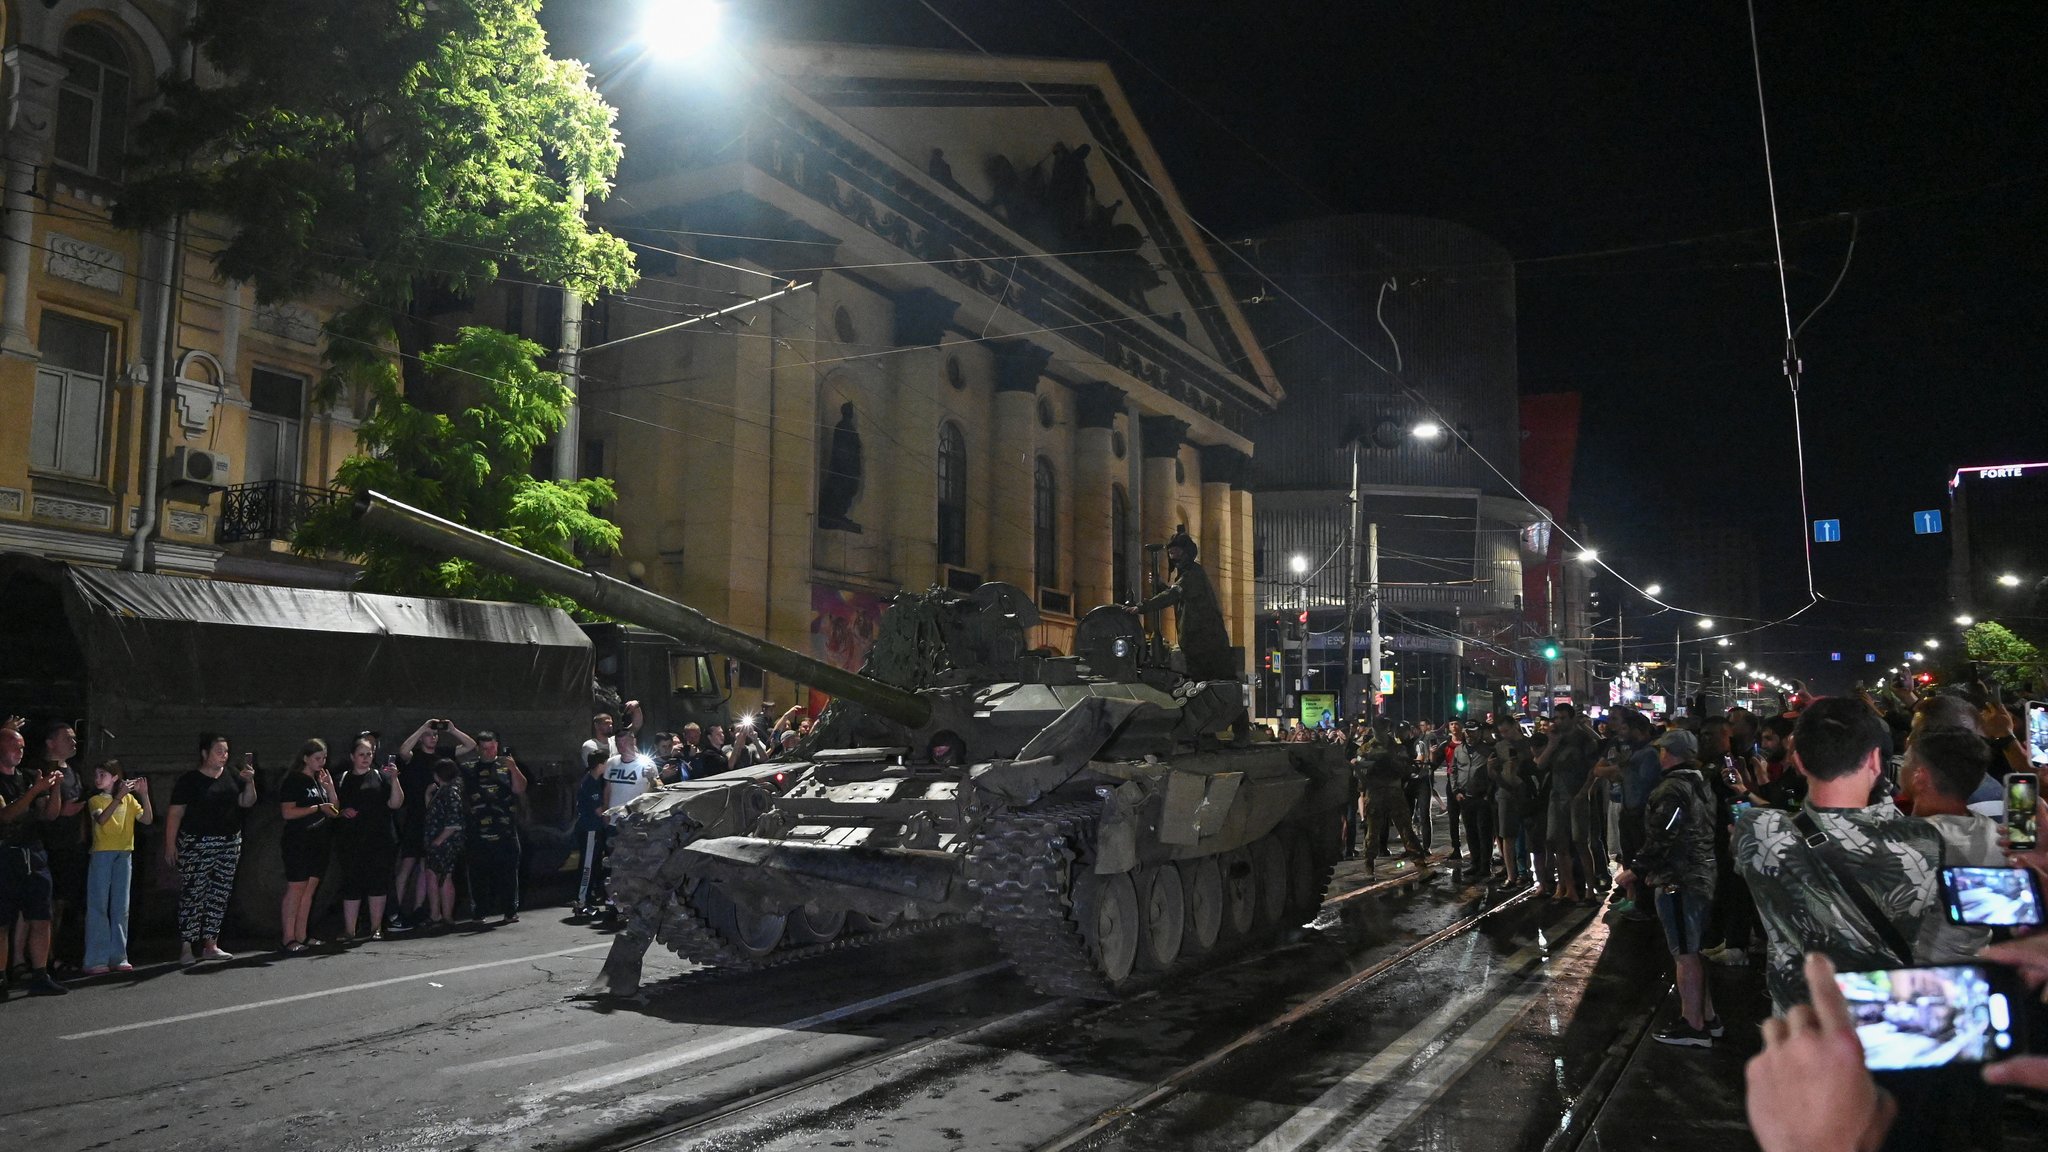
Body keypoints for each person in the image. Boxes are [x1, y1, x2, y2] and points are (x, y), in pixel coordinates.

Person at [1737, 697, 1946, 1013]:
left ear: (1801, 762)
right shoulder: (1924, 838)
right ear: (1876, 761)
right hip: (1889, 1018)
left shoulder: (1761, 828)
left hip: (1806, 1029)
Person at [1614, 728, 1720, 1047]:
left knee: (1685, 954)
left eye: (1662, 750)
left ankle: (1694, 1024)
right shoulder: (1701, 782)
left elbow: (1664, 833)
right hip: (1700, 873)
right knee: (1693, 950)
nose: (1659, 755)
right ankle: (1708, 1017)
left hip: (1680, 879)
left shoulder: (1673, 788)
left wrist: (1636, 870)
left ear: (1670, 753)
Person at [1897, 728, 2005, 963]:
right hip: (1978, 965)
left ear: (1920, 777)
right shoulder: (1996, 834)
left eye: (1905, 760)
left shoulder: (1911, 843)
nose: (1900, 766)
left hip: (1923, 977)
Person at [164, 733, 259, 964]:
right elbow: (175, 813)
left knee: (220, 893)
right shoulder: (189, 780)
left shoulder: (232, 776)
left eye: (226, 751)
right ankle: (187, 946)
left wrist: (250, 781)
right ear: (204, 754)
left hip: (228, 843)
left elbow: (247, 802)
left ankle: (211, 944)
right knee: (193, 893)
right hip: (197, 843)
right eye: (218, 751)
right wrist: (170, 844)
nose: (224, 756)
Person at [0, 724, 67, 996]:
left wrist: (54, 789)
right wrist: (33, 790)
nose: (21, 751)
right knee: (2, 922)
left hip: (34, 854)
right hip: (6, 855)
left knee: (41, 918)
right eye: (15, 746)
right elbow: (6, 816)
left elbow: (49, 815)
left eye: (23, 747)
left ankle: (40, 974)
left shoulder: (28, 776)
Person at [394, 717, 475, 930]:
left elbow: (470, 745)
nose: (433, 737)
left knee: (428, 868)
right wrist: (422, 727)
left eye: (435, 734)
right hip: (417, 816)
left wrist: (452, 729)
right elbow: (403, 751)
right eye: (429, 735)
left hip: (439, 819)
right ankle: (396, 910)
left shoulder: (444, 756)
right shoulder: (415, 756)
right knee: (408, 862)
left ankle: (424, 909)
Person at [1124, 529, 1234, 682]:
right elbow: (1176, 595)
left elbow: (1173, 595)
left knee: (1206, 683)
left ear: (1187, 553)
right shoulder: (1186, 575)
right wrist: (1160, 586)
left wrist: (1142, 607)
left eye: (1177, 553)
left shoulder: (1192, 574)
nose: (1174, 558)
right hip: (1197, 643)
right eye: (1171, 554)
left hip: (1205, 644)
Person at [82, 759, 151, 974]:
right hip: (102, 854)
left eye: (102, 774)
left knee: (121, 907)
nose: (97, 778)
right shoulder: (95, 800)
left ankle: (118, 956)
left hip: (124, 853)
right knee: (98, 906)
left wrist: (144, 795)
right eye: (96, 774)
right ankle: (95, 958)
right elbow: (101, 820)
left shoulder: (129, 800)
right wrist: (118, 798)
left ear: (115, 777)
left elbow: (147, 819)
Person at [335, 738, 405, 942]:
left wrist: (394, 780)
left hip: (380, 839)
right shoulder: (343, 778)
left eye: (369, 754)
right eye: (361, 755)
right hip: (351, 840)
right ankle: (350, 930)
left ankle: (376, 928)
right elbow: (334, 806)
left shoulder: (380, 776)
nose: (366, 758)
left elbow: (395, 803)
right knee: (351, 884)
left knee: (377, 884)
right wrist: (341, 812)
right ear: (352, 757)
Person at [276, 739, 337, 954]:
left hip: (319, 841)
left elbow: (334, 811)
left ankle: (302, 935)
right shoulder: (294, 780)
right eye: (317, 758)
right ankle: (288, 937)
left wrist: (330, 789)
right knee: (296, 889)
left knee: (310, 890)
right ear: (305, 758)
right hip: (298, 841)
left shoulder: (318, 781)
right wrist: (316, 808)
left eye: (324, 758)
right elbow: (288, 812)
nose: (322, 762)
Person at [1537, 704, 1600, 903]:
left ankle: (1590, 889)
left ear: (1572, 719)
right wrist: (1552, 744)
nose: (1559, 722)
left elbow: (1595, 766)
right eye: (1557, 718)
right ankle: (1568, 888)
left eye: (1563, 718)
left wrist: (1584, 792)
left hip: (1577, 796)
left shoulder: (1583, 739)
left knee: (1581, 842)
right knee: (1557, 842)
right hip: (1557, 797)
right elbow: (1540, 764)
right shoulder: (1554, 738)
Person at [462, 732, 526, 923]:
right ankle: (480, 911)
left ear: (497, 746)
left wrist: (513, 768)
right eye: (484, 748)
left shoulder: (506, 766)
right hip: (478, 829)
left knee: (508, 871)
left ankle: (510, 910)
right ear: (478, 748)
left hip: (505, 827)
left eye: (492, 748)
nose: (489, 752)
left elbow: (520, 789)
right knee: (478, 873)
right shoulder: (469, 768)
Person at [1358, 723, 1423, 872]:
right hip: (1375, 792)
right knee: (1373, 831)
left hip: (1394, 790)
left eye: (1381, 729)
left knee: (1406, 829)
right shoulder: (1366, 748)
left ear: (1386, 729)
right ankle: (1369, 863)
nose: (1379, 732)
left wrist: (1396, 766)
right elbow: (1359, 771)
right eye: (1376, 729)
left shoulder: (1397, 748)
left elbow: (1406, 769)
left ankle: (1419, 863)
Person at [421, 758, 464, 929]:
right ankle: (438, 914)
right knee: (435, 876)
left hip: (444, 843)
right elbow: (433, 812)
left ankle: (443, 915)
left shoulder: (450, 793)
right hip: (439, 841)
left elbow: (453, 822)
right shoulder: (446, 791)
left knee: (443, 877)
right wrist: (428, 795)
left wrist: (438, 841)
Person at [1488, 717, 1531, 887]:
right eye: (1502, 732)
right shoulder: (1499, 747)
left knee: (1528, 834)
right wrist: (1492, 769)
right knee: (1507, 835)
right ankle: (1511, 875)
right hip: (1506, 793)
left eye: (1507, 730)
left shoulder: (1528, 744)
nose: (1505, 735)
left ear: (1515, 727)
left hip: (1526, 793)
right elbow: (1493, 773)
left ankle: (1525, 871)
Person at [1448, 720, 1493, 877]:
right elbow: (1453, 770)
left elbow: (1493, 774)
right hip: (1465, 797)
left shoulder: (1487, 750)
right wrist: (1456, 791)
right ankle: (1475, 862)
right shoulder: (1459, 750)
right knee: (1471, 832)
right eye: (1467, 731)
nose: (1469, 734)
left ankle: (1485, 865)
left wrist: (1489, 793)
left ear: (1479, 732)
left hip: (1482, 798)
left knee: (1484, 832)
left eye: (1473, 731)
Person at [572, 748, 610, 920]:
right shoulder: (591, 783)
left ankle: (587, 899)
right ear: (601, 765)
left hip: (592, 829)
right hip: (589, 829)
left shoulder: (592, 780)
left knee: (593, 865)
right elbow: (599, 811)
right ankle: (581, 903)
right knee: (587, 866)